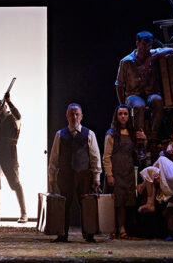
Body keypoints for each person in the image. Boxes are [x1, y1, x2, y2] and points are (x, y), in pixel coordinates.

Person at [47, 103, 102, 243]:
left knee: (86, 205)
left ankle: (89, 233)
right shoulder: (60, 134)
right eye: (71, 114)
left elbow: (95, 156)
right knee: (63, 205)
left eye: (77, 114)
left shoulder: (89, 134)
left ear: (81, 116)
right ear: (67, 116)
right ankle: (62, 234)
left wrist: (96, 176)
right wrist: (51, 177)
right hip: (65, 175)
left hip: (84, 174)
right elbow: (54, 157)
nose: (74, 117)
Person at [115, 31, 173, 147]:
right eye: (144, 44)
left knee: (157, 100)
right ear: (137, 43)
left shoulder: (151, 54)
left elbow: (171, 50)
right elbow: (119, 84)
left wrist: (151, 58)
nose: (147, 48)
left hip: (150, 93)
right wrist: (122, 104)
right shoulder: (126, 61)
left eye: (149, 45)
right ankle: (139, 139)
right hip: (133, 94)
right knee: (139, 106)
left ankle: (153, 135)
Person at [0, 91, 27, 223]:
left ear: (6, 107)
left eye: (1, 106)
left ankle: (24, 213)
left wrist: (8, 101)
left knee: (15, 184)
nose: (0, 108)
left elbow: (18, 116)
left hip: (9, 155)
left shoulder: (13, 118)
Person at [103, 104, 145, 239]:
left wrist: (144, 140)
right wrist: (109, 174)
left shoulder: (132, 134)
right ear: (116, 116)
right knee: (115, 202)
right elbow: (106, 156)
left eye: (125, 114)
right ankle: (111, 229)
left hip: (128, 171)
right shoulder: (111, 134)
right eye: (120, 114)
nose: (123, 116)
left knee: (124, 202)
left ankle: (122, 229)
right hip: (115, 171)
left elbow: (140, 153)